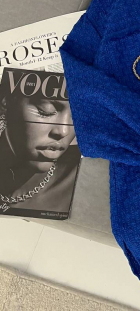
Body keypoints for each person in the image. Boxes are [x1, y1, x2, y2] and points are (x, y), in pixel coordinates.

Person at [0, 85, 80, 216]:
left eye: (78, 117)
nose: (63, 131)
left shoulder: (80, 183)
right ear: (7, 102)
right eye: (46, 111)